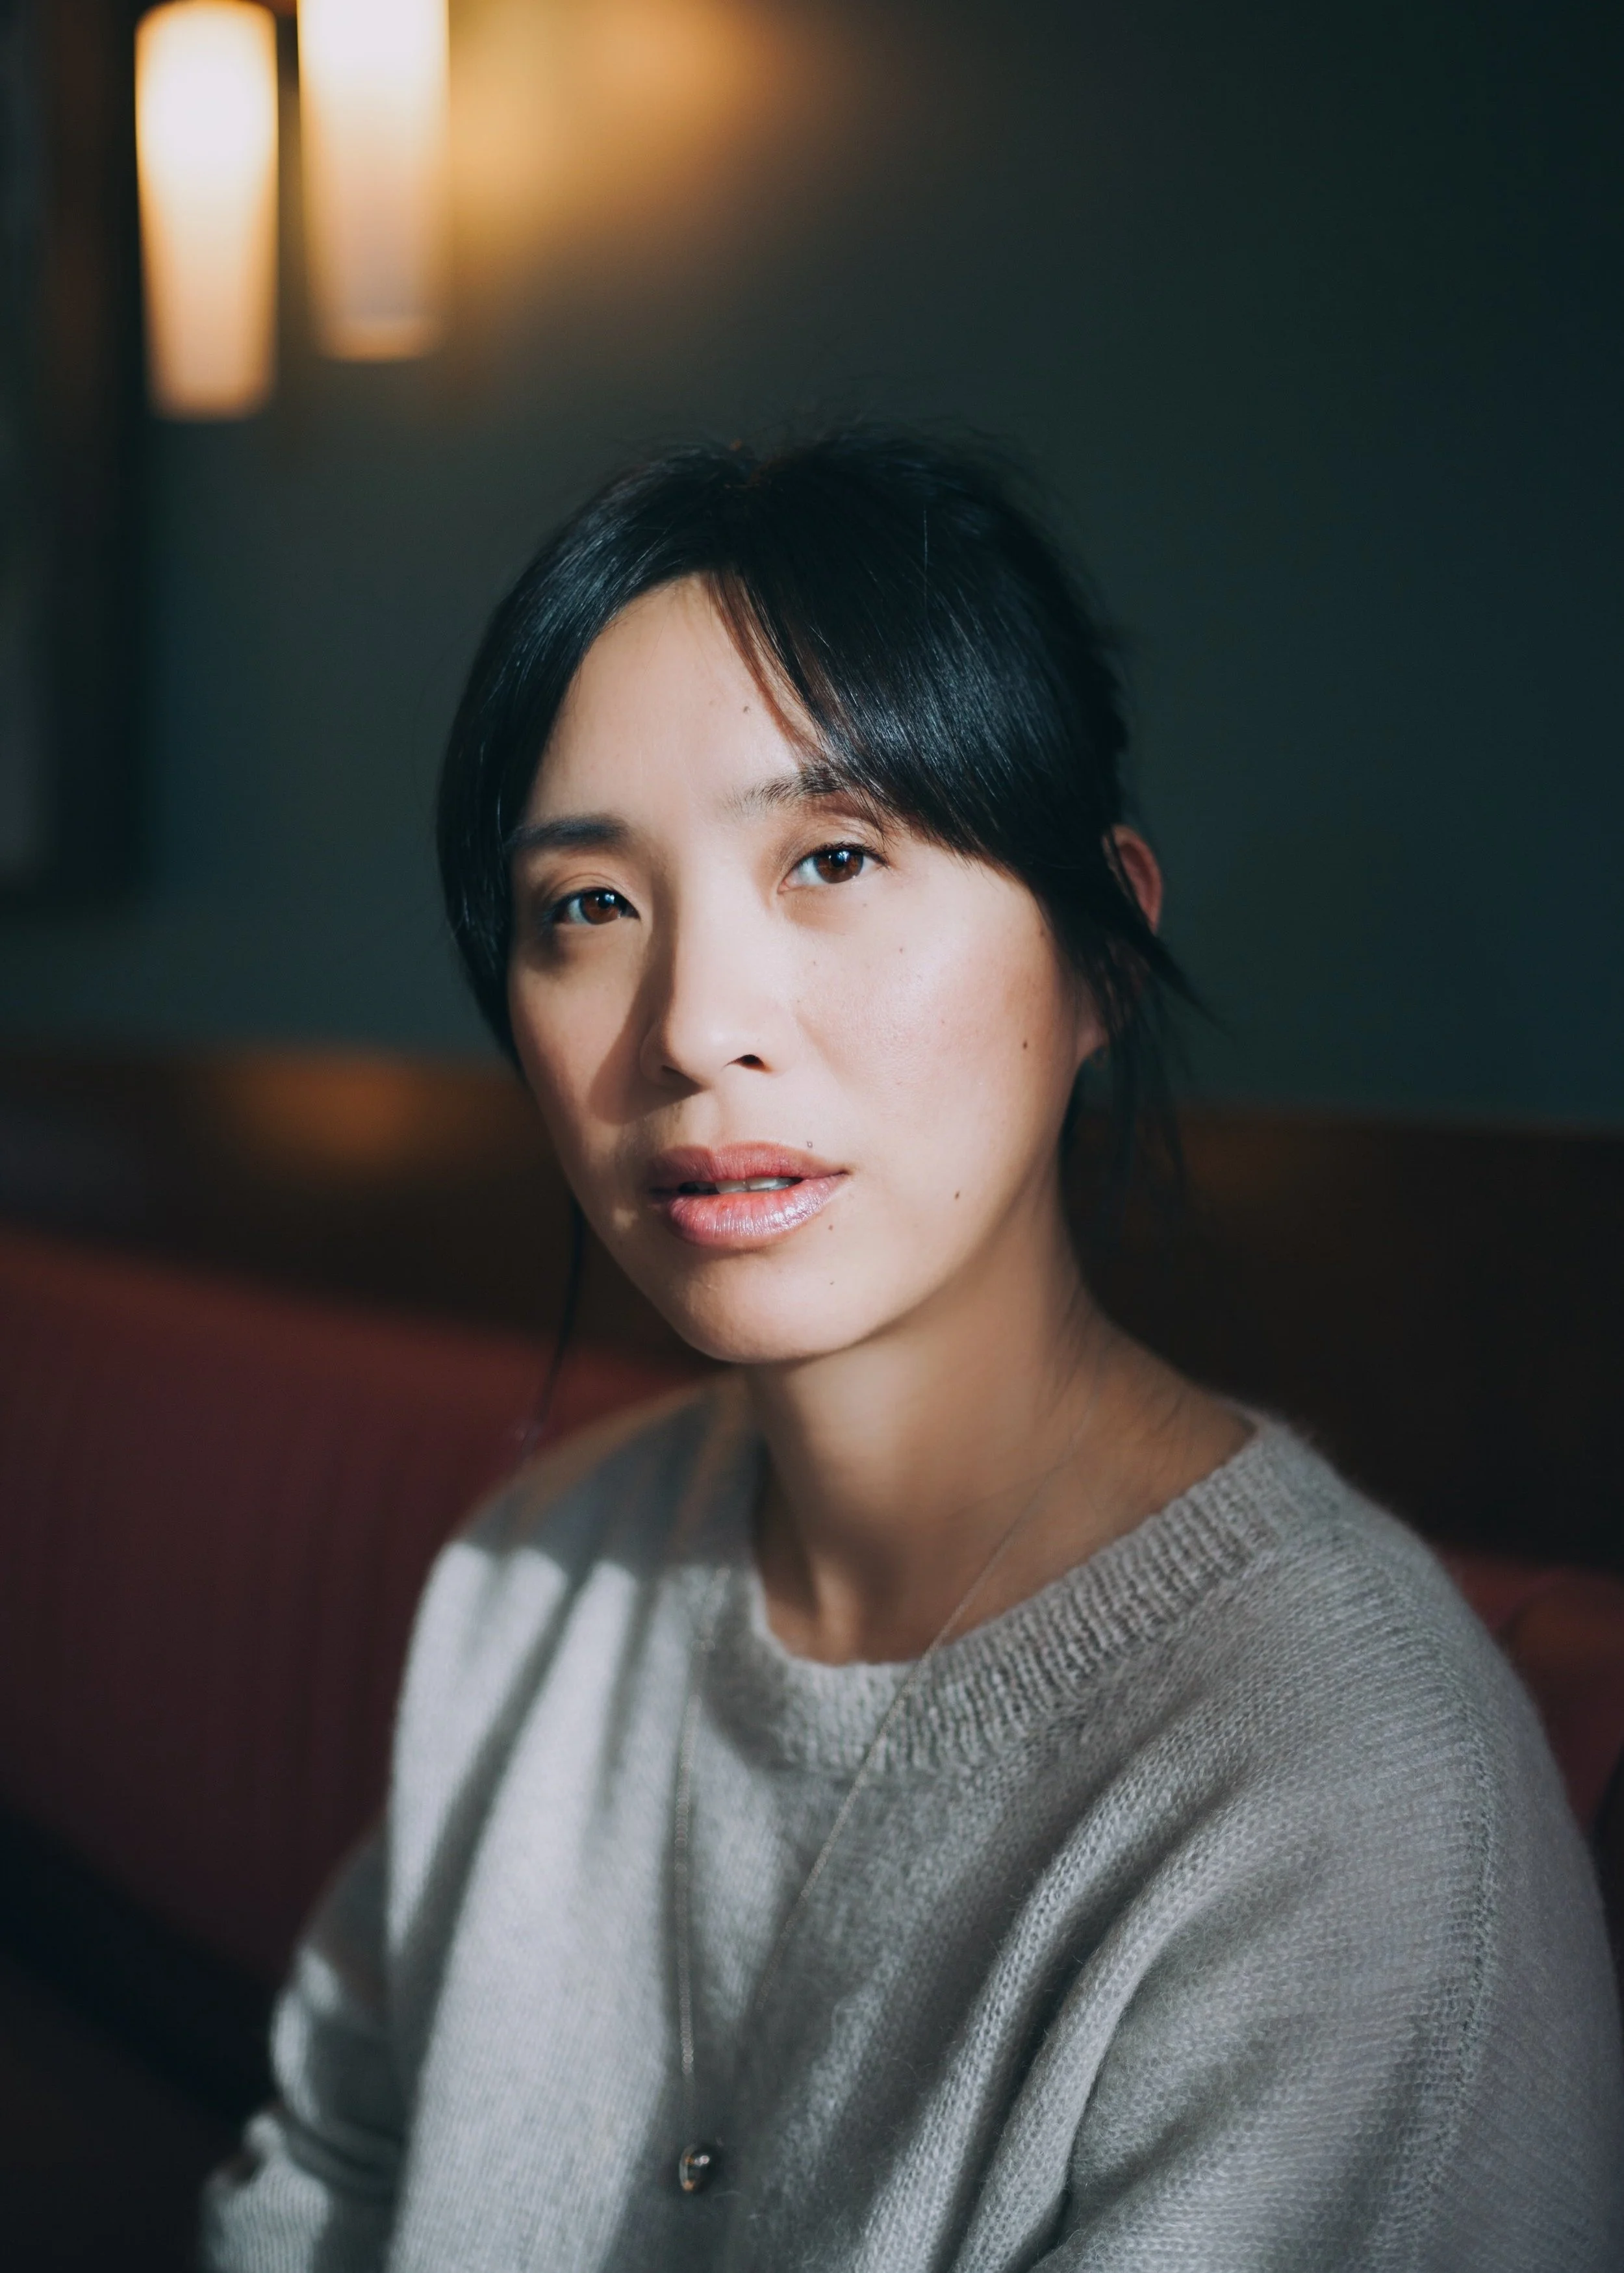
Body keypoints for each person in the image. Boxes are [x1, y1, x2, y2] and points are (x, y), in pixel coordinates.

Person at [203, 429, 1623, 2272]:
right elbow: (322, 2177)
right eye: (588, 907)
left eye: (836, 855)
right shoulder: (528, 1580)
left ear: (1099, 953)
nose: (697, 1026)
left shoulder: (1335, 1795)